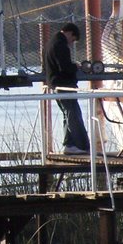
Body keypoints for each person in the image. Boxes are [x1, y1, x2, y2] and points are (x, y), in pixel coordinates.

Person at [44, 21, 91, 154]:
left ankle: (69, 144)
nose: (71, 43)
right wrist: (75, 66)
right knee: (73, 114)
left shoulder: (50, 43)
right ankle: (81, 145)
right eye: (73, 39)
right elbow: (64, 67)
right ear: (70, 33)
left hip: (54, 83)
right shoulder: (60, 45)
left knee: (67, 114)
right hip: (64, 84)